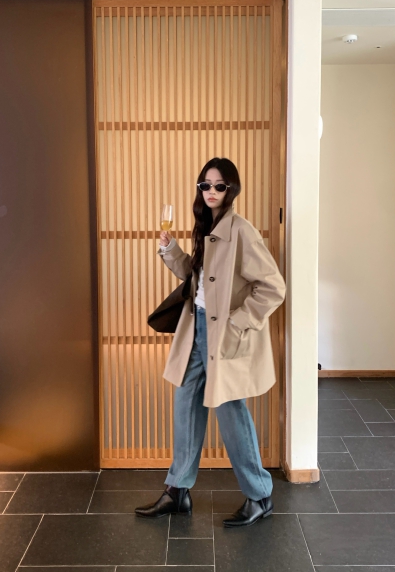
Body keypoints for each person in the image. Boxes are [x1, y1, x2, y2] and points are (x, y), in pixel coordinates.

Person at [135, 157, 286, 528]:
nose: (212, 191)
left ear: (231, 189)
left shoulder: (241, 231)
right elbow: (198, 280)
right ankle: (177, 491)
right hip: (196, 329)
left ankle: (259, 495)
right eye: (206, 185)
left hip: (224, 335)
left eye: (220, 185)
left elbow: (273, 287)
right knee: (185, 406)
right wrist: (171, 250)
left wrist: (237, 323)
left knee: (231, 412)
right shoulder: (207, 226)